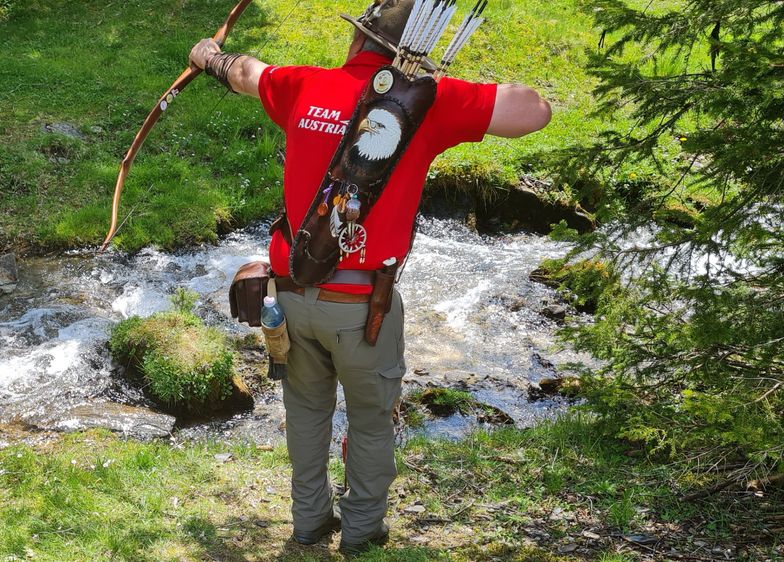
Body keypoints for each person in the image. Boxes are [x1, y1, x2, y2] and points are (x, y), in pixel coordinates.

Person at [191, 0, 552, 555]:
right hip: (365, 309)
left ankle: (309, 523)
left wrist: (209, 56)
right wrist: (443, 87)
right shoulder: (429, 103)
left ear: (359, 41)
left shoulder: (303, 85)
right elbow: (535, 111)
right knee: (370, 421)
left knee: (307, 414)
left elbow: (247, 72)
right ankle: (362, 534)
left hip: (290, 297)